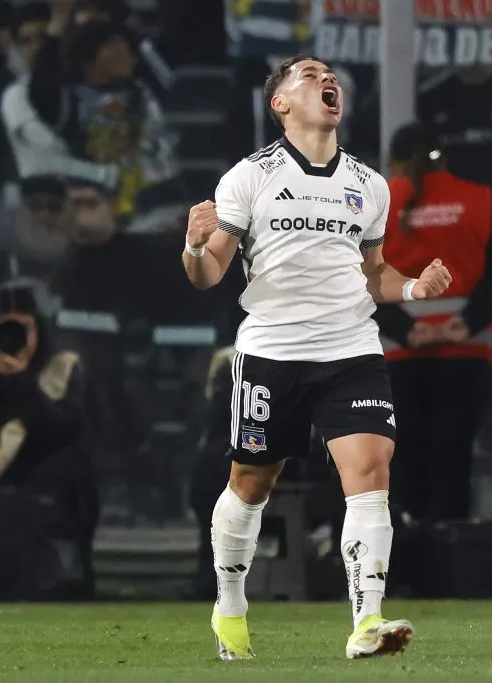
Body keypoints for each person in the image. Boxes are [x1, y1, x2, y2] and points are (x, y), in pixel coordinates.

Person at [181, 55, 452, 661]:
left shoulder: (370, 184)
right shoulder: (248, 177)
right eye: (308, 74)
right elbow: (209, 272)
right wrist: (195, 247)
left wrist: (413, 288)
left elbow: (373, 273)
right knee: (251, 483)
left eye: (330, 75)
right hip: (272, 350)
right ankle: (230, 605)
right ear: (279, 103)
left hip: (350, 348)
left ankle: (367, 622)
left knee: (371, 470)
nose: (326, 80)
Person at [374, 122, 492, 526]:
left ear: (395, 163)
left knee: (407, 463)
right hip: (467, 353)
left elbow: (357, 278)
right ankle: (452, 544)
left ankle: (410, 547)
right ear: (443, 159)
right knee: (454, 458)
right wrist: (467, 321)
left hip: (400, 356)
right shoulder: (481, 199)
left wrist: (406, 330)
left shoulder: (376, 205)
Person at [0, 278, 98, 601]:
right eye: (3, 328)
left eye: (23, 328)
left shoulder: (62, 369)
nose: (12, 337)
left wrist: (20, 381)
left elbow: (60, 433)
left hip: (35, 487)